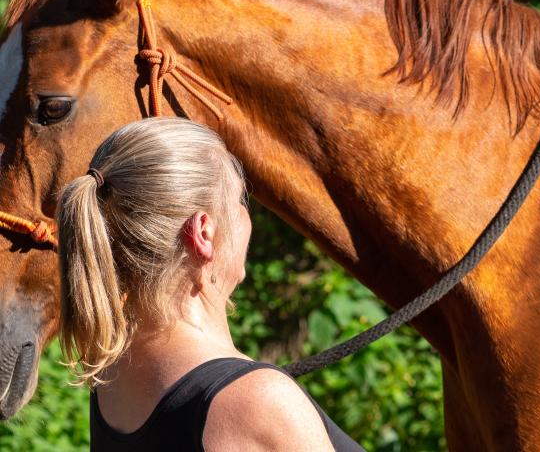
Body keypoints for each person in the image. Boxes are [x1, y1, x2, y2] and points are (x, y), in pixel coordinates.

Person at [57, 117, 365, 451]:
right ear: (204, 233)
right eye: (239, 202)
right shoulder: (257, 402)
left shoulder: (111, 378)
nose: (246, 219)